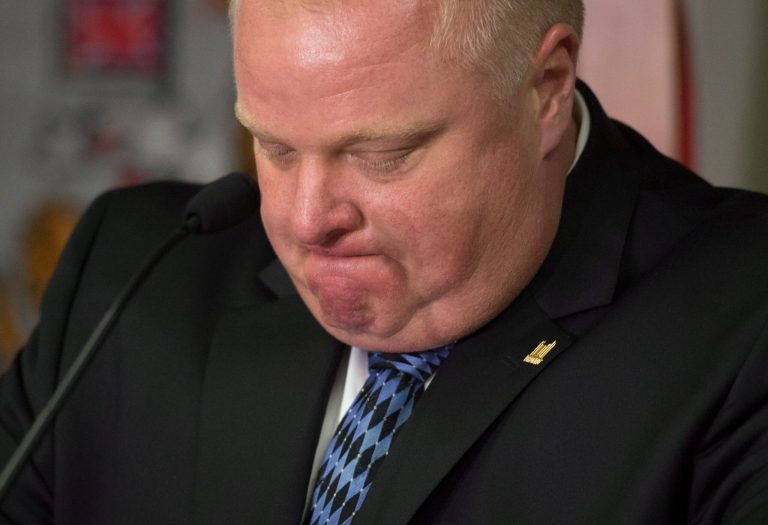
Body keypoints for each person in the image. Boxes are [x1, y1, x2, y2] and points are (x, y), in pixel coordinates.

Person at [1, 0, 767, 523]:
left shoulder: (744, 324)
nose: (306, 221)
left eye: (382, 154)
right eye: (273, 146)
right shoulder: (127, 278)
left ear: (546, 89)